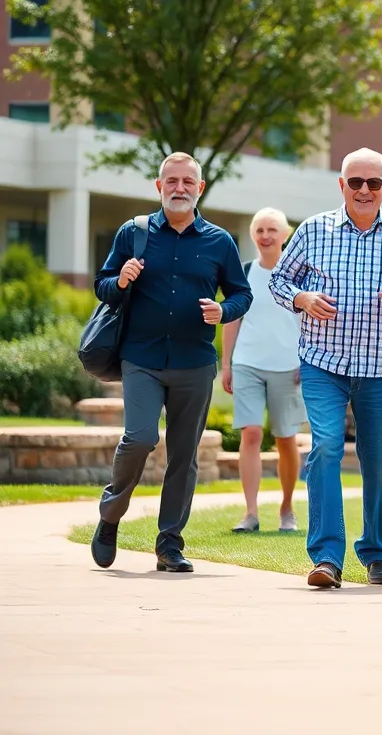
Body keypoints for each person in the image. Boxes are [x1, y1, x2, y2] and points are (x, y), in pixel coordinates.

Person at [269, 147, 382, 589]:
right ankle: (327, 557)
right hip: (323, 362)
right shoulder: (313, 230)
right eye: (356, 182)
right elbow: (279, 280)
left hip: (380, 368)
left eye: (374, 183)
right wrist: (302, 299)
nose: (364, 190)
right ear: (341, 185)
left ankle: (375, 553)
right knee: (326, 447)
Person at [90, 152, 253, 573]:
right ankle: (110, 517)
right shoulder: (134, 232)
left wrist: (224, 311)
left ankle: (169, 544)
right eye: (171, 181)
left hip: (194, 362)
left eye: (187, 182)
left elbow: (241, 293)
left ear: (199, 189)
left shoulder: (219, 241)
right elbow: (102, 287)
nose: (179, 188)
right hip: (141, 357)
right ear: (159, 187)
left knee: (184, 453)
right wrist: (121, 279)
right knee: (140, 438)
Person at [221, 208, 306, 534]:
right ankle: (251, 513)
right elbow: (232, 319)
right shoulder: (243, 274)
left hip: (289, 367)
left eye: (272, 230)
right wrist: (226, 364)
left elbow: (310, 322)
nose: (265, 236)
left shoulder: (299, 277)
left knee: (286, 438)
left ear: (285, 235)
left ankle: (286, 508)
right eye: (260, 230)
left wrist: (306, 361)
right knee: (251, 433)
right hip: (248, 364)